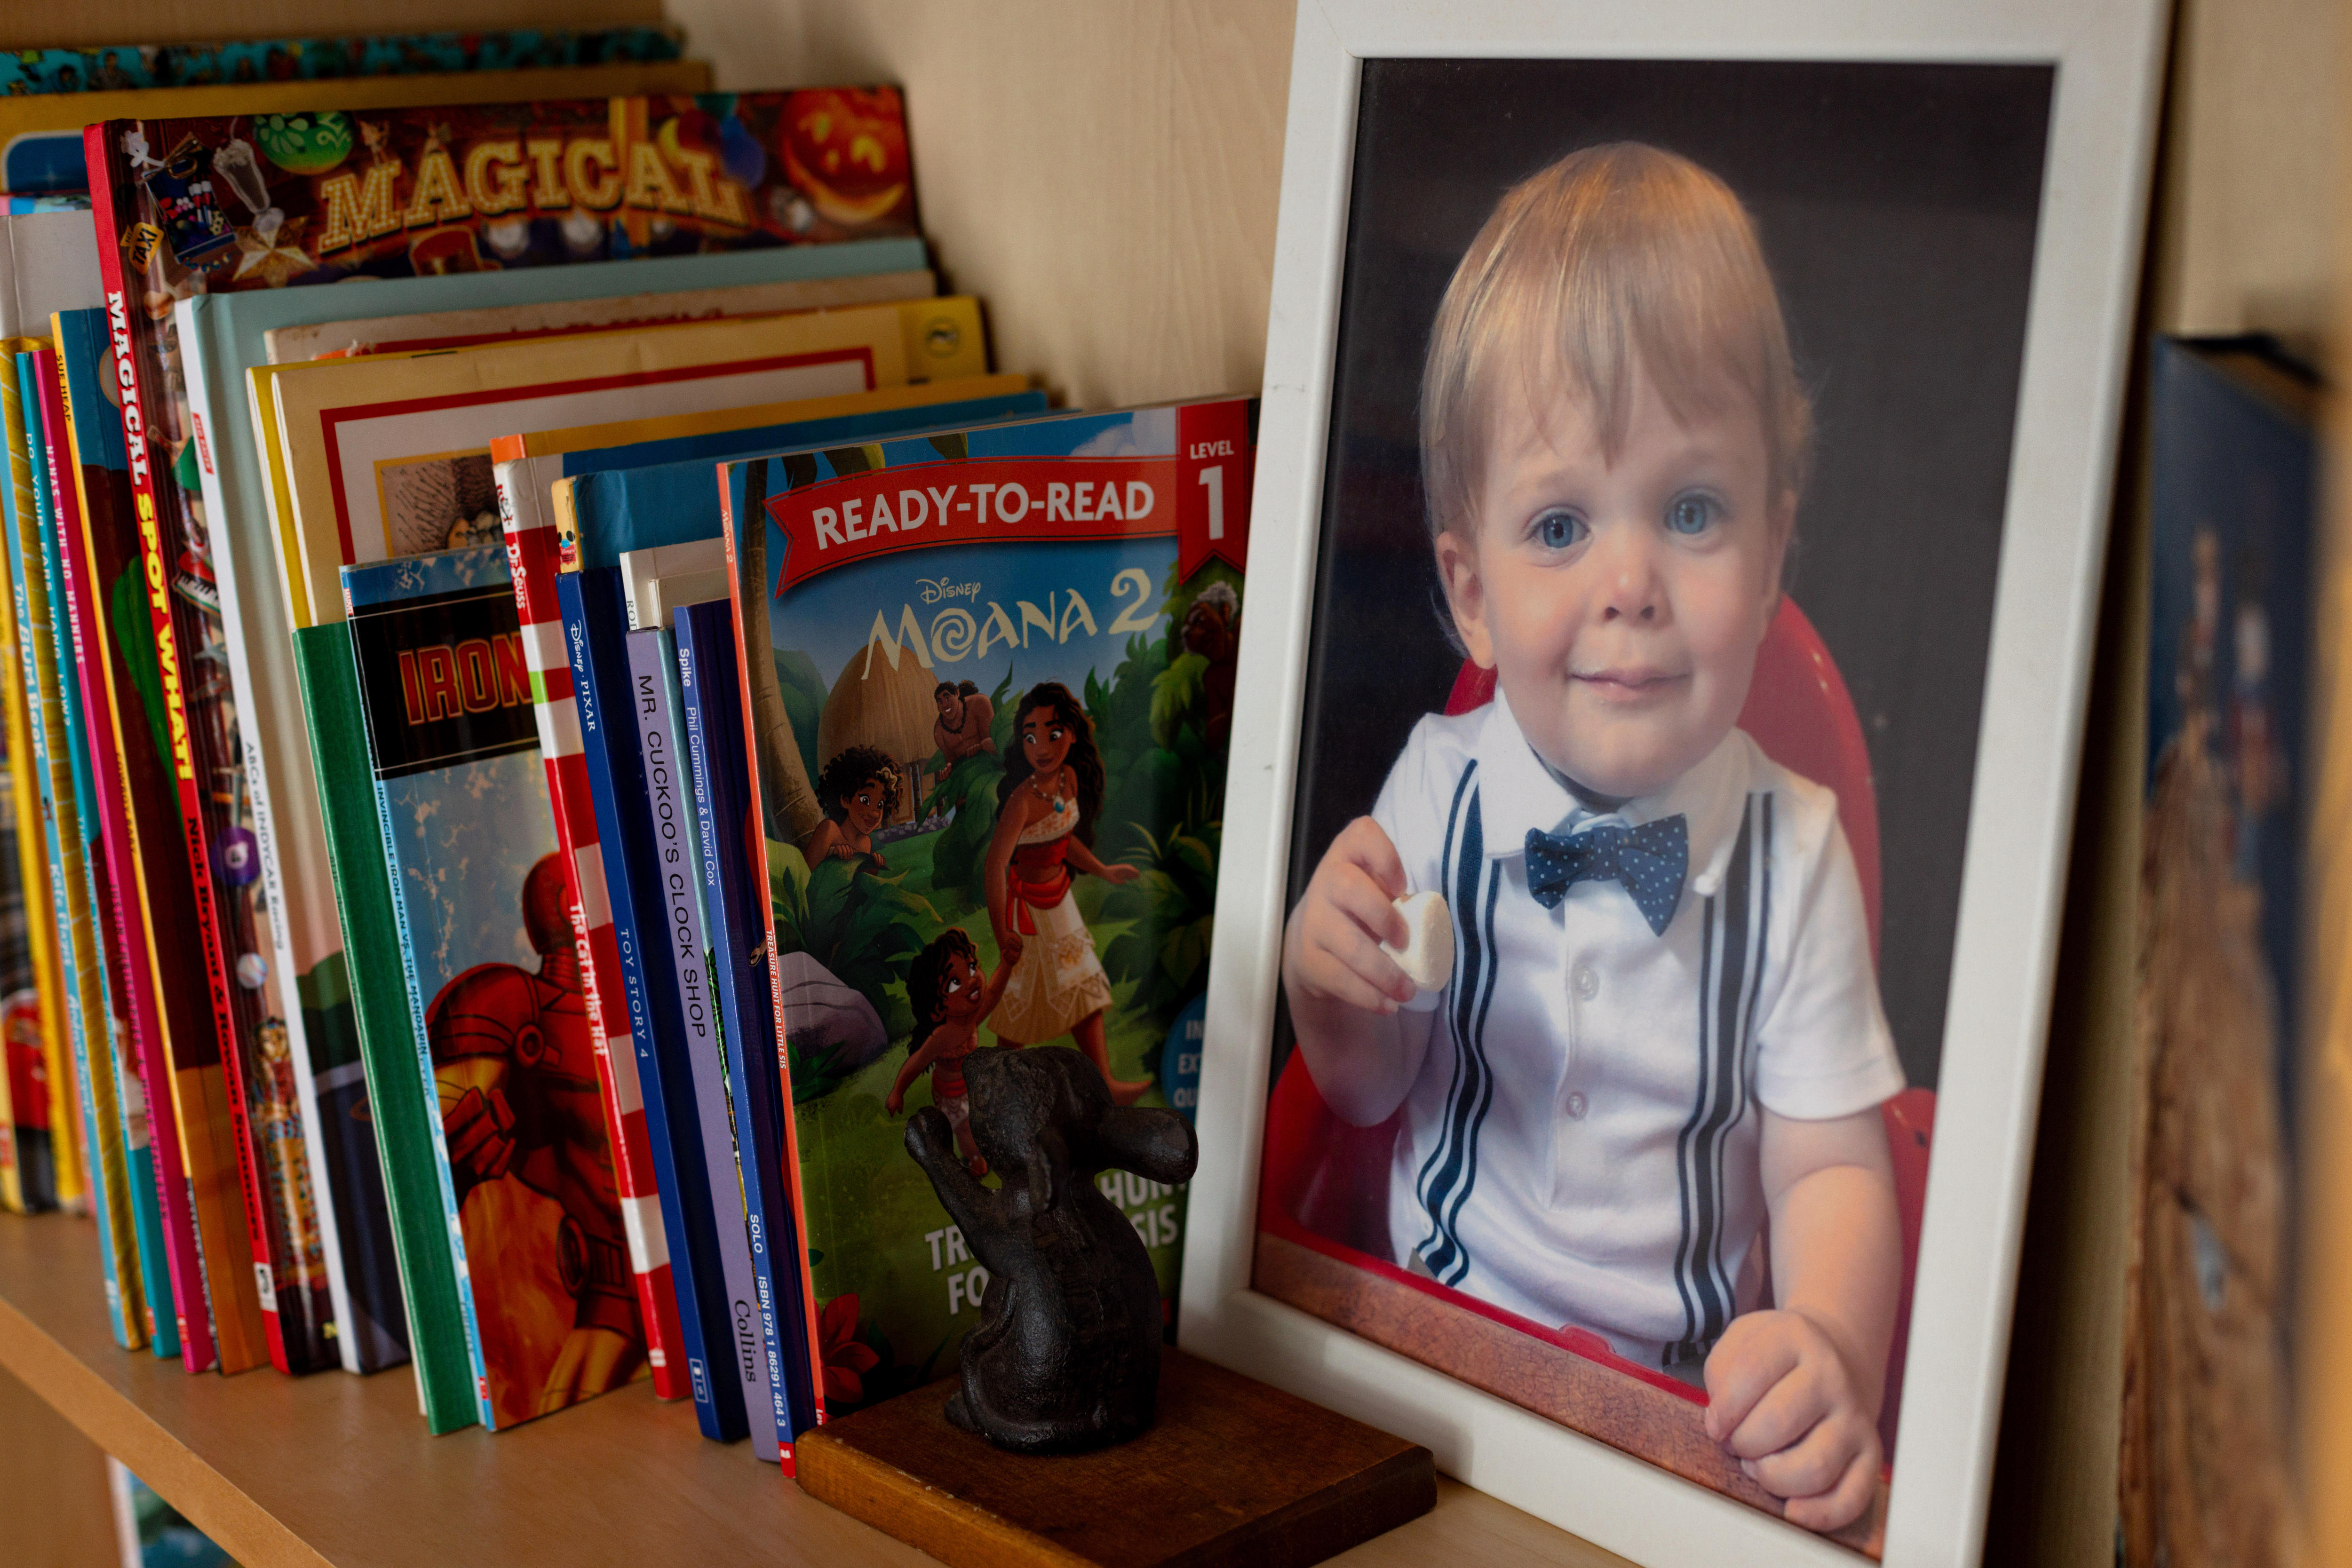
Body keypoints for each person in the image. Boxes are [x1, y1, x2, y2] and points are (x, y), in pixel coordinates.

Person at [1280, 143, 1904, 1534]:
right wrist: (1327, 983)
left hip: (1679, 1425)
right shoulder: (1434, 788)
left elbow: (1832, 1163)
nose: (1627, 582)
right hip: (1428, 1361)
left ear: (1771, 555)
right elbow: (1366, 1096)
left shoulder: (1791, 856)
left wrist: (1827, 1345)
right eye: (1559, 524)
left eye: (1689, 511)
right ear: (1472, 592)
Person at [984, 682, 1151, 1105]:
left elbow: (1064, 839)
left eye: (1053, 734)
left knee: (1083, 989)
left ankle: (1105, 1083)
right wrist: (1003, 931)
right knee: (1020, 1003)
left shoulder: (1069, 779)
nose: (1042, 747)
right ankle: (1000, 1096)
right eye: (1030, 735)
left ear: (1073, 734)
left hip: (1062, 903)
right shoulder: (1021, 801)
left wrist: (1103, 870)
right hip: (1028, 913)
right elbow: (995, 866)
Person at [887, 928, 1013, 1175]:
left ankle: (988, 1147)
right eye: (955, 983)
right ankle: (973, 1157)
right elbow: (917, 1062)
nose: (972, 980)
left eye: (972, 968)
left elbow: (995, 992)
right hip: (951, 1096)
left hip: (973, 1085)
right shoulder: (943, 1036)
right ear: (937, 1006)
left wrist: (1007, 963)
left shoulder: (973, 1017)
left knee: (983, 1118)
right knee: (964, 1128)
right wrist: (898, 1091)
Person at [802, 744, 900, 868]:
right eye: (865, 800)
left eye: (880, 804)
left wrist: (874, 867)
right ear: (845, 800)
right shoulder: (829, 830)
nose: (875, 814)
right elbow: (806, 874)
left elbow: (857, 881)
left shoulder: (865, 843)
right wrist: (832, 856)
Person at [934, 679, 998, 763]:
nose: (945, 705)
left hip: (987, 765)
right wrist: (948, 770)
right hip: (965, 772)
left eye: (947, 698)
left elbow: (994, 744)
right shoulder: (939, 731)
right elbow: (951, 762)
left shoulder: (979, 702)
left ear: (957, 693)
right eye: (940, 702)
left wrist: (980, 747)